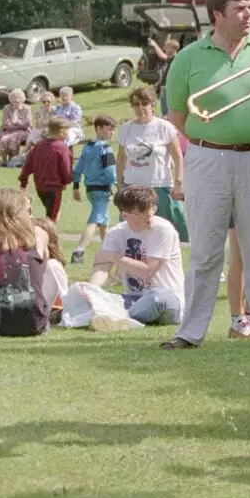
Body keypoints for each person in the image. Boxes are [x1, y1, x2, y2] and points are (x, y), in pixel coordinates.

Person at [159, 0, 250, 350]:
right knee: (204, 247)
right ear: (218, 14)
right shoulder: (188, 57)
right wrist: (213, 141)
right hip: (207, 157)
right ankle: (190, 332)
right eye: (240, 8)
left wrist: (249, 133)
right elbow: (177, 114)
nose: (249, 15)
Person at [92, 185, 186, 326]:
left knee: (157, 299)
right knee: (100, 298)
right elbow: (102, 267)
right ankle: (111, 315)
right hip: (134, 299)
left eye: (152, 209)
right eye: (141, 212)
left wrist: (114, 257)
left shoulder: (163, 230)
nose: (149, 215)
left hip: (168, 299)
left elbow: (148, 271)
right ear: (125, 215)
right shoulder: (115, 233)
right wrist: (91, 291)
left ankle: (118, 318)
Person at [117, 87, 187, 242]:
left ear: (152, 105)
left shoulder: (164, 127)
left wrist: (178, 183)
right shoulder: (126, 129)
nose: (140, 108)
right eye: (136, 104)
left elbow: (177, 157)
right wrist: (119, 187)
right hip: (132, 187)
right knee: (133, 236)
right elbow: (121, 159)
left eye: (144, 103)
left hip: (159, 187)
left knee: (165, 234)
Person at [0, 187, 48, 336]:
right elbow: (40, 274)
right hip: (34, 323)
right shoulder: (39, 235)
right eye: (29, 211)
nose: (32, 217)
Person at [69, 115, 118, 263]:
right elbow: (110, 172)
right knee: (95, 220)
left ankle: (108, 251)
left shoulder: (87, 148)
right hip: (102, 191)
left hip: (90, 189)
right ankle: (79, 251)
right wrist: (119, 185)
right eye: (108, 129)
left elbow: (77, 169)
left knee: (104, 222)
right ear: (98, 129)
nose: (111, 132)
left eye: (113, 129)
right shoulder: (106, 149)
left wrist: (76, 187)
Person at [19, 118, 72, 222]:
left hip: (40, 188)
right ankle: (42, 236)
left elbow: (28, 165)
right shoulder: (62, 147)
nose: (68, 132)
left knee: (53, 214)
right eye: (67, 130)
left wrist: (23, 182)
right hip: (54, 189)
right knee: (51, 220)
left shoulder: (38, 145)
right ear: (62, 132)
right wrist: (66, 181)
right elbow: (66, 168)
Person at [0, 90, 29, 165]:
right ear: (10, 99)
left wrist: (14, 123)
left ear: (22, 99)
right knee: (3, 139)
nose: (16, 100)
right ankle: (4, 161)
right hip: (8, 130)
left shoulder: (27, 108)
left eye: (18, 98)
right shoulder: (6, 108)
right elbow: (5, 123)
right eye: (13, 97)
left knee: (13, 138)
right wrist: (19, 124)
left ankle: (13, 161)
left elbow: (27, 123)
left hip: (23, 131)